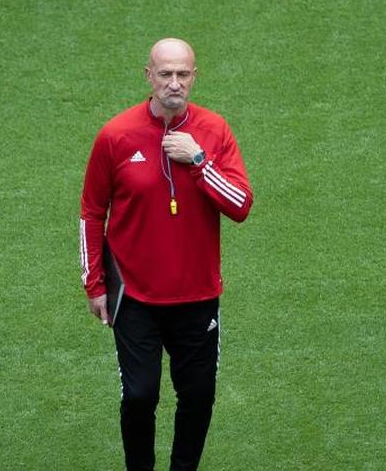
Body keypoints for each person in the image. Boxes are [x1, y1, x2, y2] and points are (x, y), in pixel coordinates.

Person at [78, 38, 253, 470]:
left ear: (194, 77)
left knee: (198, 396)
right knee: (140, 396)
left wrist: (199, 161)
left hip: (197, 296)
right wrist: (94, 284)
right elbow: (92, 212)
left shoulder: (215, 131)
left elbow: (240, 205)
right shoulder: (116, 136)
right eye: (165, 74)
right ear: (149, 77)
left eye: (183, 74)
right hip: (135, 298)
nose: (174, 83)